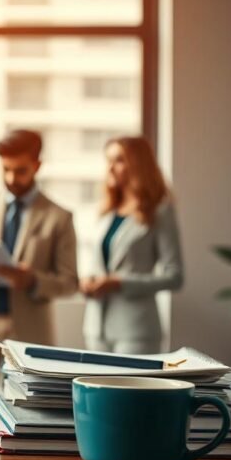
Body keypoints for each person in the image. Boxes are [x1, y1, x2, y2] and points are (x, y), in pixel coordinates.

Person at [0, 129, 78, 406]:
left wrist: (32, 280)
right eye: (6, 170)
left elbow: (70, 281)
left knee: (28, 413)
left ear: (37, 165)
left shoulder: (59, 217)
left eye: (20, 171)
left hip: (30, 330)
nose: (12, 179)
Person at [81, 136, 184, 354]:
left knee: (129, 389)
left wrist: (119, 282)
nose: (110, 168)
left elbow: (175, 276)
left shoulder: (160, 211)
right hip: (96, 327)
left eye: (119, 160)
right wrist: (89, 281)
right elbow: (98, 262)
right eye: (108, 160)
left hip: (135, 330)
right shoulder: (106, 211)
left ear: (138, 165)